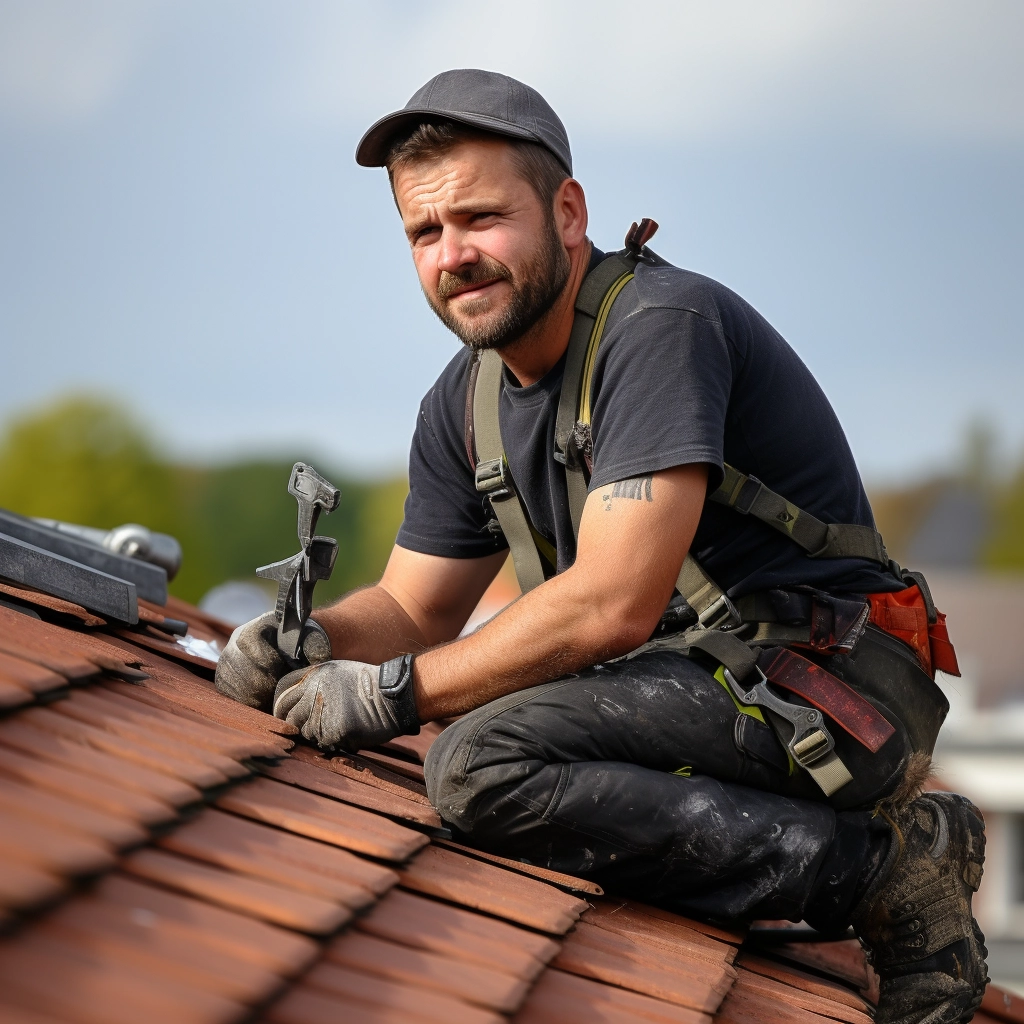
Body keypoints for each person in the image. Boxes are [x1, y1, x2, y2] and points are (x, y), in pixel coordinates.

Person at [215, 69, 988, 1024]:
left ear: (568, 213)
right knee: (482, 743)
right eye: (425, 232)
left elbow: (614, 600)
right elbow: (415, 608)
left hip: (830, 679)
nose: (454, 254)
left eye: (482, 218)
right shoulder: (463, 403)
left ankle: (885, 874)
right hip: (689, 683)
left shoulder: (659, 328)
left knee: (476, 764)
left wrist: (395, 693)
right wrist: (313, 641)